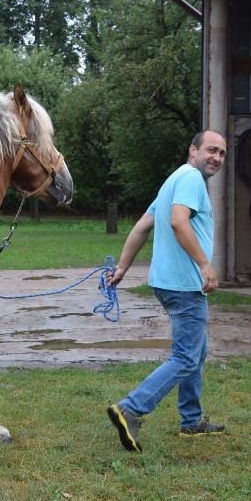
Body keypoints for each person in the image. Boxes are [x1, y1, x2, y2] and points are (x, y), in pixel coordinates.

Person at [106, 130, 228, 452]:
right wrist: (204, 264)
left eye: (222, 153)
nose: (216, 157)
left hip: (166, 282)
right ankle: (130, 409)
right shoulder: (190, 179)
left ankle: (192, 421)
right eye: (211, 150)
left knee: (196, 352)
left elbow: (142, 226)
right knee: (187, 356)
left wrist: (122, 268)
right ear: (193, 150)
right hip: (185, 284)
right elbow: (177, 221)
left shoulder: (173, 180)